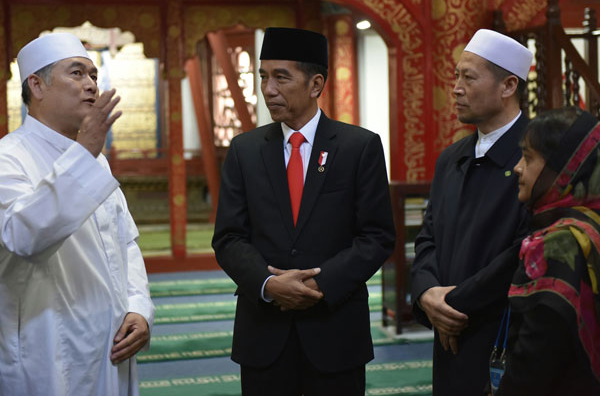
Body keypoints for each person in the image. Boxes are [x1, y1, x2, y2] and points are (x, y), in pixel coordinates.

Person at [212, 27, 395, 396]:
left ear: (315, 85)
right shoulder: (245, 151)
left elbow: (377, 236)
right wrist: (269, 285)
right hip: (264, 331)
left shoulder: (358, 147)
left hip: (335, 328)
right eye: (263, 76)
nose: (268, 89)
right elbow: (229, 237)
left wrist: (319, 284)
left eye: (282, 77)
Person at [0, 32, 154, 396]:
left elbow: (125, 244)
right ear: (36, 85)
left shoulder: (95, 161)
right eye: (77, 73)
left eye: (93, 76)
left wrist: (138, 308)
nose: (91, 86)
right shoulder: (9, 157)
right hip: (49, 348)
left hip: (113, 342)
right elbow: (24, 237)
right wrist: (84, 153)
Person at [410, 29, 533, 395]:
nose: (457, 88)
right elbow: (428, 237)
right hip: (446, 330)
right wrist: (427, 293)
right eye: (456, 76)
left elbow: (523, 250)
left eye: (469, 77)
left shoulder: (537, 156)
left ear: (508, 85)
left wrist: (453, 306)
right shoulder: (452, 158)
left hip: (503, 333)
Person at [496, 107, 600, 395]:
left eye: (528, 158)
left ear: (564, 169)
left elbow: (535, 358)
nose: (517, 167)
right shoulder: (591, 223)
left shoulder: (558, 243)